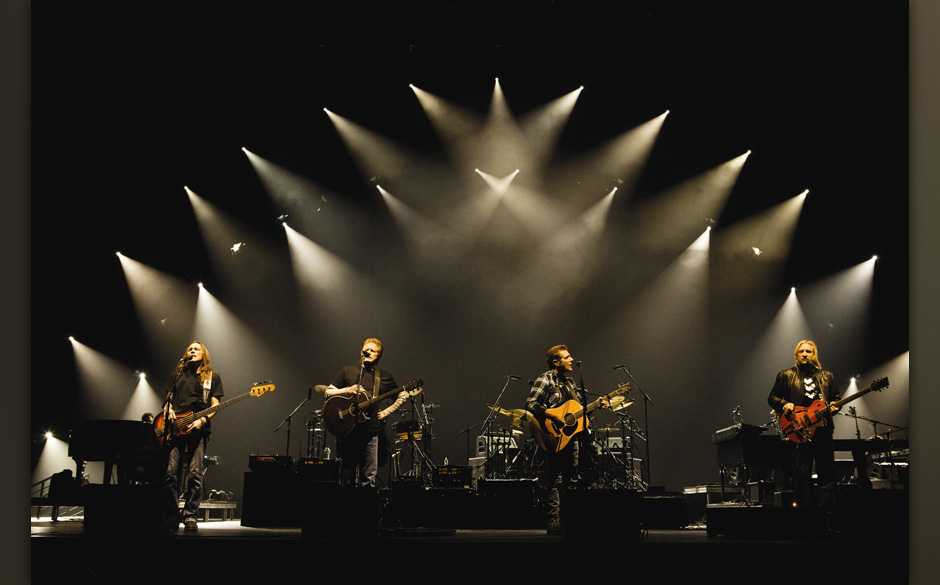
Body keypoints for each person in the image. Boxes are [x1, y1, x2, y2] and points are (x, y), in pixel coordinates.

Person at [525, 344, 607, 534]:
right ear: (556, 362)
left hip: (572, 438)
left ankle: (570, 519)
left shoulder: (570, 382)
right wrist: (552, 415)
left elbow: (578, 413)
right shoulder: (545, 379)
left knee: (572, 478)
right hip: (551, 435)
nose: (571, 359)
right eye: (567, 357)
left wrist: (596, 405)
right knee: (555, 478)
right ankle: (553, 520)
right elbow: (531, 403)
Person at [324, 338, 407, 488]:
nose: (368, 352)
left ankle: (366, 507)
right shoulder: (347, 371)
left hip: (371, 432)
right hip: (347, 431)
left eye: (373, 351)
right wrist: (346, 390)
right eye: (366, 349)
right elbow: (327, 392)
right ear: (361, 350)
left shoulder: (383, 376)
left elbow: (402, 395)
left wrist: (387, 412)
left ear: (378, 357)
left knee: (368, 477)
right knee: (345, 474)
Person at [768, 340, 841, 509]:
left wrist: (836, 407)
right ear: (796, 355)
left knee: (827, 474)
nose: (805, 354)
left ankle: (824, 516)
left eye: (809, 351)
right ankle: (806, 516)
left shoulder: (827, 376)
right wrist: (784, 404)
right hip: (799, 430)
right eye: (801, 351)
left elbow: (836, 399)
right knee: (801, 475)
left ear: (814, 355)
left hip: (822, 431)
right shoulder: (786, 375)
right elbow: (772, 397)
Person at [161, 341, 224, 531]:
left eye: (196, 349)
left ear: (204, 354)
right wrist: (168, 409)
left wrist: (202, 421)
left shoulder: (212, 376)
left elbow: (215, 404)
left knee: (195, 474)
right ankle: (171, 515)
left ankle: (191, 516)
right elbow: (168, 400)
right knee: (170, 474)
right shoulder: (177, 374)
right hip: (175, 429)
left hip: (198, 429)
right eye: (190, 349)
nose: (192, 351)